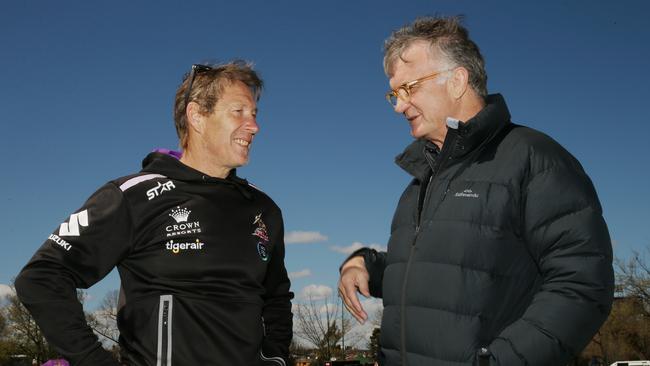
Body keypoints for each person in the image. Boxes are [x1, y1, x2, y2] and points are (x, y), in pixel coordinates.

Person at [338, 16, 613, 366]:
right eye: (394, 92)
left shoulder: (534, 159)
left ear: (457, 81)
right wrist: (364, 263)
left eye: (410, 88)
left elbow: (583, 283)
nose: (398, 105)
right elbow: (442, 271)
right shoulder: (420, 182)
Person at [15, 61, 293, 366]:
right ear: (197, 116)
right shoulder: (132, 196)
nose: (254, 126)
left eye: (254, 114)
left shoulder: (263, 208)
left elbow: (277, 297)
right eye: (238, 112)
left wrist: (276, 357)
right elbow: (41, 277)